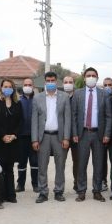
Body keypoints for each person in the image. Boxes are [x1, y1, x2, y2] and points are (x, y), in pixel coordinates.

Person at [72, 67, 112, 202]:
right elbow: (74, 115)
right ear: (84, 78)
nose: (90, 77)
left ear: (97, 77)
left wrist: (107, 133)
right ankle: (81, 191)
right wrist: (75, 133)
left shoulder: (104, 94)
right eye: (88, 75)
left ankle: (97, 190)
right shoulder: (77, 94)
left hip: (99, 134)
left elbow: (108, 116)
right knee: (81, 163)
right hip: (83, 133)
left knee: (99, 163)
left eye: (93, 75)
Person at [32, 72, 71, 203]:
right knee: (42, 166)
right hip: (43, 137)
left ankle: (59, 191)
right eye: (48, 80)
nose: (50, 83)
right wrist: (34, 139)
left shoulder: (64, 97)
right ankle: (43, 192)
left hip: (59, 137)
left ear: (56, 82)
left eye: (52, 80)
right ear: (44, 81)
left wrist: (66, 138)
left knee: (60, 166)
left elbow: (67, 119)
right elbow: (34, 120)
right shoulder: (37, 98)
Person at [0, 79, 23, 204]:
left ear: (13, 89)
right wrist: (3, 135)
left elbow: (20, 122)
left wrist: (14, 135)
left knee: (10, 168)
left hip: (12, 141)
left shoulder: (17, 103)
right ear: (1, 88)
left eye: (10, 86)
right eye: (5, 86)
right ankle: (0, 195)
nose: (7, 88)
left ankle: (11, 195)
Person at [17, 78, 39, 193]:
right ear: (22, 86)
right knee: (21, 162)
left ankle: (35, 184)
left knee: (35, 162)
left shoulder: (37, 100)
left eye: (29, 84)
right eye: (25, 84)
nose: (27, 86)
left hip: (34, 137)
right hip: (21, 137)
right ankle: (20, 184)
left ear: (33, 86)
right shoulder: (18, 101)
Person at [63, 76, 79, 192]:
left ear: (74, 84)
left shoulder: (78, 97)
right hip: (62, 136)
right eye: (66, 82)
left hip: (76, 135)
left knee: (77, 161)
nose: (68, 84)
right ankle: (60, 186)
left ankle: (77, 183)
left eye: (70, 82)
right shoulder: (59, 97)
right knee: (61, 162)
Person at [101, 77, 112, 191]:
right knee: (101, 160)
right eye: (105, 85)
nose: (107, 87)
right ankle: (103, 181)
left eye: (110, 85)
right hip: (102, 135)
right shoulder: (100, 98)